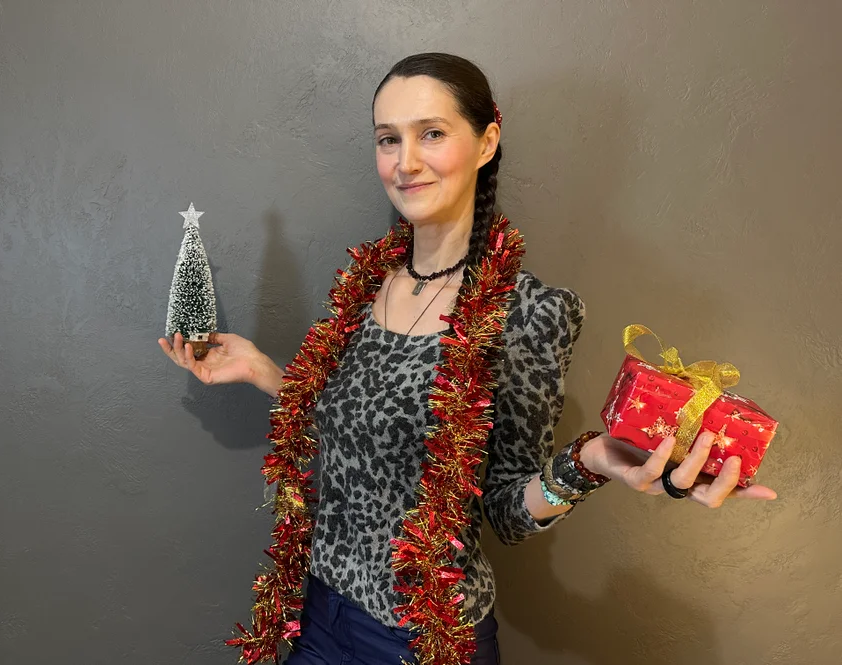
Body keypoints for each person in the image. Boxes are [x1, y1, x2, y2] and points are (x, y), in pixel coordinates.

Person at [158, 53, 777, 665]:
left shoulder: (528, 313)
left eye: (431, 133)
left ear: (487, 142)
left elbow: (505, 511)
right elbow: (364, 430)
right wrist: (267, 372)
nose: (406, 161)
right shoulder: (365, 282)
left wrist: (589, 462)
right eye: (388, 139)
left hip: (422, 643)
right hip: (319, 612)